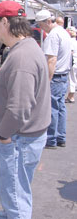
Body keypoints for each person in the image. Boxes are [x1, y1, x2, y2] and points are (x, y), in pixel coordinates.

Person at [0, 1, 51, 219]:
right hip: (23, 138)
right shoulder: (28, 49)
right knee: (16, 192)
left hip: (17, 139)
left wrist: (4, 135)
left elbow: (19, 107)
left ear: (5, 22)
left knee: (15, 197)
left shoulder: (22, 57)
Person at [36, 10, 72, 148]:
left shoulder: (53, 36)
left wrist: (47, 79)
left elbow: (51, 60)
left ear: (47, 22)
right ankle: (60, 136)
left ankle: (51, 139)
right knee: (60, 107)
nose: (40, 28)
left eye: (40, 24)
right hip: (63, 75)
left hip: (56, 76)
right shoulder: (63, 32)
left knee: (52, 108)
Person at [66, 26, 77, 103]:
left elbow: (71, 52)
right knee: (74, 78)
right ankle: (71, 95)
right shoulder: (75, 41)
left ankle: (71, 95)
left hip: (72, 62)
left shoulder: (70, 41)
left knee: (71, 78)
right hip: (75, 61)